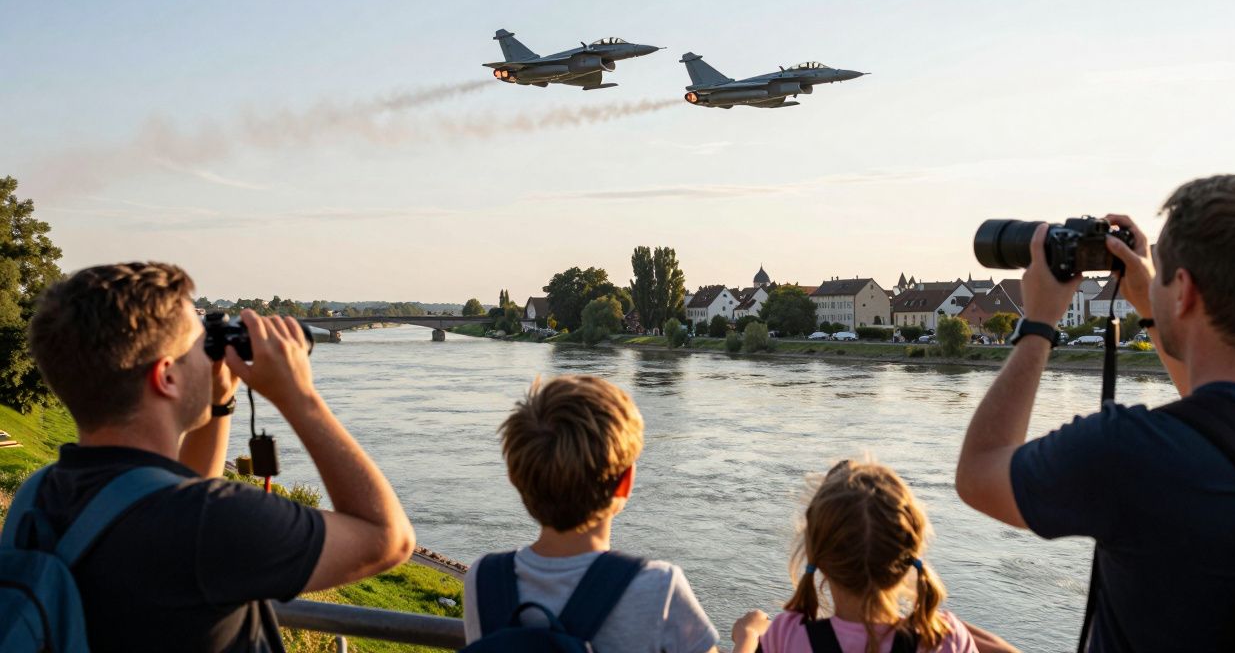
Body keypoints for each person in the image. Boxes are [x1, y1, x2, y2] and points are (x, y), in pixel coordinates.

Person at [955, 174, 1235, 650]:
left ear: (1183, 291)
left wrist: (1038, 324)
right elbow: (1227, 425)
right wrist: (1150, 300)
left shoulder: (1134, 451)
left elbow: (980, 473)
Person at [20, 262, 415, 651]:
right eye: (202, 345)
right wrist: (299, 396)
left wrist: (219, 404)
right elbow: (388, 538)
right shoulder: (211, 521)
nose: (213, 355)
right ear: (167, 377)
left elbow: (172, 498)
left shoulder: (36, 498)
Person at [461, 375, 720, 653]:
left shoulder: (483, 580)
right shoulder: (659, 589)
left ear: (515, 477)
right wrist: (747, 639)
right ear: (626, 481)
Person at [732, 459, 1017, 653]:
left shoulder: (789, 636)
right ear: (910, 552)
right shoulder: (944, 639)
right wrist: (932, 617)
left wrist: (747, 637)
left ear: (815, 554)